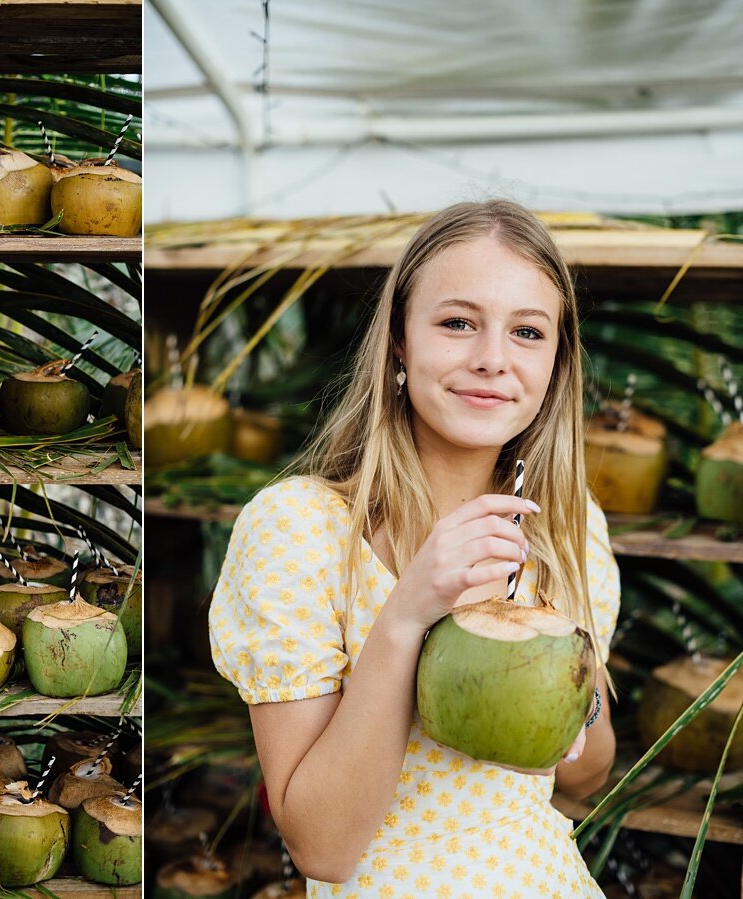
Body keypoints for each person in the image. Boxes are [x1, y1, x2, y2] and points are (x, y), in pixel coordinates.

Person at [209, 199, 619, 898]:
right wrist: (406, 614)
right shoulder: (301, 528)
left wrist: (563, 702)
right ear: (400, 337)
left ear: (556, 358)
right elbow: (322, 846)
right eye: (458, 322)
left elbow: (588, 771)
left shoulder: (568, 526)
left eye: (527, 331)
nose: (492, 360)